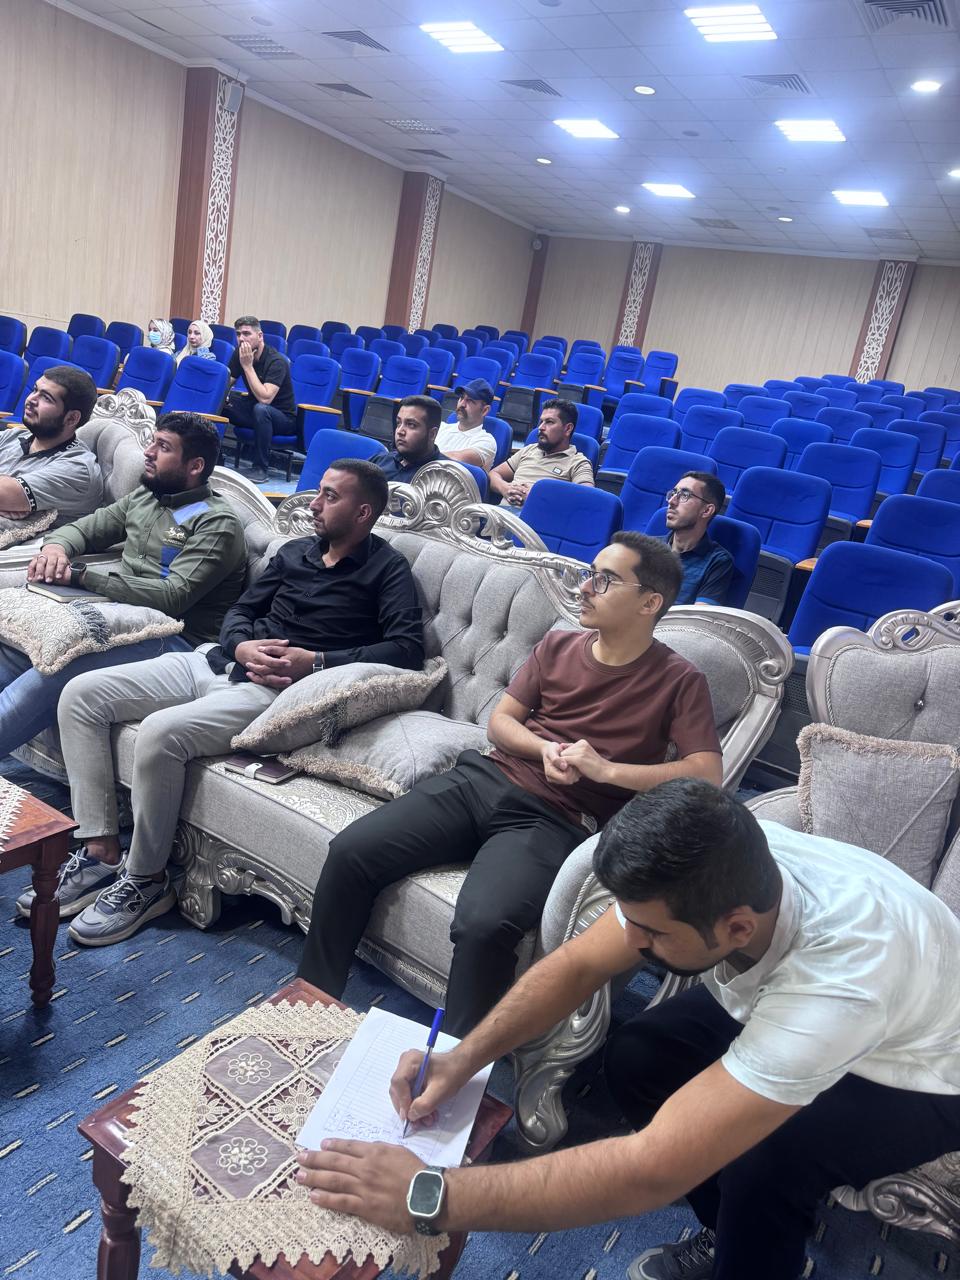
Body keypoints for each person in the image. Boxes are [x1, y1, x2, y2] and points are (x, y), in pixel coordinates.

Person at [295, 779, 960, 1280]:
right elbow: (579, 964)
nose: (631, 940)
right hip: (818, 999)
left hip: (921, 1068)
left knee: (767, 1164)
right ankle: (724, 1229)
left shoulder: (838, 979)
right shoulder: (721, 866)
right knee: (638, 1055)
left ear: (735, 927)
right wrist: (460, 1059)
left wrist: (428, 1195)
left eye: (650, 933)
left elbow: (651, 1172)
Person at [298, 532, 722, 1036]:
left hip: (556, 819)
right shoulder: (559, 645)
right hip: (482, 779)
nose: (585, 587)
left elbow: (706, 774)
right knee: (350, 851)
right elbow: (501, 723)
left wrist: (606, 770)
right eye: (589, 573)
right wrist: (543, 749)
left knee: (484, 924)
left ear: (649, 602)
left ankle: (459, 1063)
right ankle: (308, 1010)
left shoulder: (679, 679)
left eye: (606, 580)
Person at [55, 459, 424, 947]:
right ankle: (100, 848)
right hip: (214, 661)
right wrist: (241, 645)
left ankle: (147, 880)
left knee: (161, 733)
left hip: (271, 691)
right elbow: (242, 610)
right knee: (81, 695)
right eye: (319, 491)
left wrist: (315, 662)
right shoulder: (295, 552)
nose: (314, 504)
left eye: (330, 497)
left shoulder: (387, 570)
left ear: (363, 513)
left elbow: (407, 650)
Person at [5, 410, 245, 789]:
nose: (148, 452)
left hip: (175, 638)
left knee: (57, 667)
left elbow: (172, 597)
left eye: (163, 447)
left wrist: (83, 576)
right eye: (152, 442)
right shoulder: (147, 497)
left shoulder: (217, 523)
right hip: (120, 617)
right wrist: (56, 548)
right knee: (14, 649)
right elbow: (86, 529)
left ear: (195, 466)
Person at [0, 365, 103, 531]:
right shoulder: (12, 436)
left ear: (72, 418)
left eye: (46, 398)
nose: (31, 400)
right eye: (35, 390)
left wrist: (7, 496)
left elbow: (4, 495)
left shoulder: (78, 468)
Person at [224, 315, 296, 482]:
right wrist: (222, 397)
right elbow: (226, 383)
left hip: (282, 418)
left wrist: (247, 366)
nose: (241, 339)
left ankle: (260, 469)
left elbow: (265, 399)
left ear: (260, 336)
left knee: (261, 409)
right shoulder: (240, 353)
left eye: (246, 333)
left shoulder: (277, 361)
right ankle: (214, 454)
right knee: (223, 402)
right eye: (238, 334)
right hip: (255, 409)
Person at [488, 399, 593, 509]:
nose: (541, 427)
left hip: (532, 518)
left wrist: (539, 496)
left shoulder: (579, 463)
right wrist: (505, 488)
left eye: (549, 422)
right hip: (499, 513)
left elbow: (587, 499)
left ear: (567, 429)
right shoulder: (529, 450)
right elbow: (493, 474)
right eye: (541, 421)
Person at [660, 473, 734, 606]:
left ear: (706, 511)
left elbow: (699, 616)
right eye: (673, 493)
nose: (671, 501)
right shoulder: (646, 548)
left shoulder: (718, 561)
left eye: (685, 495)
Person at [371, 396, 446, 481]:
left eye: (411, 425)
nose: (400, 431)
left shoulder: (445, 476)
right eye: (398, 423)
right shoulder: (380, 460)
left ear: (432, 434)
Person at [434, 379, 497, 470]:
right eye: (461, 398)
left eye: (470, 401)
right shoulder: (441, 427)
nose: (462, 404)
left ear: (484, 410)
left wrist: (423, 454)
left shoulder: (486, 441)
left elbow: (454, 460)